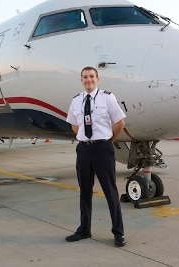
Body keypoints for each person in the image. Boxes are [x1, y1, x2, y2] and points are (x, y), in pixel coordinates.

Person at [65, 66, 126, 247]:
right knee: (85, 191)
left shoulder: (108, 97)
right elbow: (74, 126)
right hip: (84, 150)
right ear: (81, 80)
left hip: (102, 149)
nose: (88, 80)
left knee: (110, 192)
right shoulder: (76, 100)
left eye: (91, 76)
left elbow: (120, 122)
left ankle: (118, 232)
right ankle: (85, 229)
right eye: (85, 77)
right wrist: (85, 139)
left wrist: (107, 141)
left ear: (97, 79)